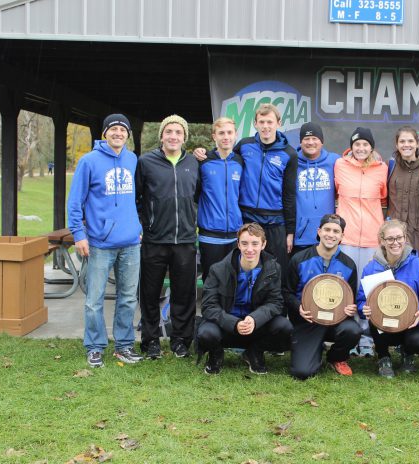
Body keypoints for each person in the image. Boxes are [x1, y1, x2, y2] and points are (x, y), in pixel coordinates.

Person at [67, 113, 143, 368]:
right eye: (113, 129)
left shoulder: (132, 159)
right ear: (104, 133)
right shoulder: (88, 162)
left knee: (128, 297)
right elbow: (75, 202)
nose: (118, 133)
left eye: (123, 129)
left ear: (128, 134)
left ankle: (123, 345)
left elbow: (138, 198)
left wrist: (138, 226)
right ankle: (95, 346)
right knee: (94, 299)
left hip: (131, 243)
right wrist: (79, 234)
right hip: (99, 242)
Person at [136, 115, 200, 360]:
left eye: (178, 132)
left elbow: (197, 196)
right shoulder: (146, 162)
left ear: (184, 137)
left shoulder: (193, 163)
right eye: (169, 132)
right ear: (161, 135)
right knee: (150, 293)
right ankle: (150, 340)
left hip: (184, 240)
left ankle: (180, 340)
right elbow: (137, 198)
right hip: (154, 239)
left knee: (184, 294)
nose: (174, 136)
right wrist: (144, 225)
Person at [197, 223, 293, 375]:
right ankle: (216, 354)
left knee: (284, 327)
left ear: (263, 244)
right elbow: (208, 306)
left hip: (255, 326)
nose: (249, 249)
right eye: (244, 243)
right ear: (238, 244)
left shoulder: (274, 269)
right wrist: (234, 323)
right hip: (227, 326)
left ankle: (255, 352)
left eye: (255, 243)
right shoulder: (218, 269)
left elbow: (275, 303)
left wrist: (255, 319)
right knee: (206, 333)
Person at [356, 219, 419, 378]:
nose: (395, 243)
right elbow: (361, 300)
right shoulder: (371, 268)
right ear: (382, 241)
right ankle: (383, 356)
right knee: (375, 315)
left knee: (417, 341)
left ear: (405, 238)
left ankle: (408, 354)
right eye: (390, 239)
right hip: (385, 324)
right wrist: (363, 308)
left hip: (414, 323)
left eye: (399, 238)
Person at [284, 214, 362, 379]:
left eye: (336, 231)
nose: (331, 234)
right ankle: (314, 348)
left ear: (342, 236)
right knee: (302, 372)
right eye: (327, 229)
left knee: (352, 330)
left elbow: (351, 299)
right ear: (319, 231)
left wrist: (351, 308)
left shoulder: (348, 265)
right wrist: (298, 307)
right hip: (308, 321)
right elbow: (286, 292)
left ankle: (336, 357)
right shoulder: (299, 259)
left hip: (336, 321)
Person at [335, 127, 388, 357]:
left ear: (371, 147)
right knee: (348, 286)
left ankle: (367, 336)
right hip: (347, 237)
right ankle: (351, 334)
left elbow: (384, 197)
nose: (361, 149)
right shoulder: (339, 165)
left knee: (369, 287)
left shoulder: (382, 169)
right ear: (351, 146)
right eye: (357, 145)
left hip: (371, 238)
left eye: (366, 145)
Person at [234, 104, 298, 276]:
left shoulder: (289, 154)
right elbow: (224, 161)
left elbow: (290, 195)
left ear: (278, 123)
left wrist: (290, 231)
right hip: (247, 219)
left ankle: (276, 304)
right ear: (255, 123)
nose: (265, 126)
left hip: (275, 222)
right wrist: (204, 154)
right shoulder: (244, 145)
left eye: (270, 122)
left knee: (275, 272)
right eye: (261, 122)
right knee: (245, 269)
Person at [198, 117, 244, 282]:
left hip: (235, 235)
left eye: (229, 132)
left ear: (235, 135)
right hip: (209, 235)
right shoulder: (203, 161)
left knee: (233, 281)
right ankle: (209, 309)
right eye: (221, 133)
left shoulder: (240, 161)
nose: (226, 137)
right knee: (211, 282)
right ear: (214, 136)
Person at [292, 122, 341, 255]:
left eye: (315, 138)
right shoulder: (292, 161)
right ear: (301, 142)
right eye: (306, 139)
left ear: (322, 142)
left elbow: (354, 162)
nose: (310, 142)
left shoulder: (334, 161)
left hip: (328, 235)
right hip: (301, 236)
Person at [386, 126, 419, 259]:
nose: (406, 145)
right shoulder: (390, 166)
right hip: (394, 239)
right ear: (396, 145)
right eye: (402, 142)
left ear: (417, 143)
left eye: (410, 141)